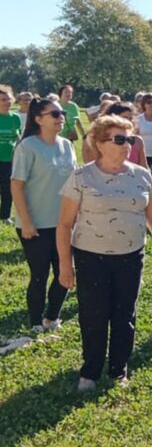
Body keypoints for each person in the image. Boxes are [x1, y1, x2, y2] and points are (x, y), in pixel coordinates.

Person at [56, 115, 152, 391]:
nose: (127, 145)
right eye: (119, 139)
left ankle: (119, 369)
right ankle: (90, 372)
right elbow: (65, 224)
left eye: (130, 139)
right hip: (90, 257)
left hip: (131, 256)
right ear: (99, 143)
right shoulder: (82, 177)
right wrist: (65, 265)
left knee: (124, 314)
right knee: (93, 315)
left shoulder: (142, 175)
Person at [10, 96, 76, 333]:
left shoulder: (67, 145)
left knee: (65, 272)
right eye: (55, 114)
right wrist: (26, 222)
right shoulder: (28, 147)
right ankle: (36, 323)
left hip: (64, 224)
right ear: (38, 119)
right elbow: (16, 186)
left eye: (62, 114)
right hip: (35, 225)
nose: (61, 118)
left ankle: (52, 317)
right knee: (39, 275)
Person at [0, 89, 22, 223]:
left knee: (8, 189)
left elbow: (18, 138)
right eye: (3, 100)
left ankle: (4, 216)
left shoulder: (15, 118)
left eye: (8, 99)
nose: (7, 102)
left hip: (9, 160)